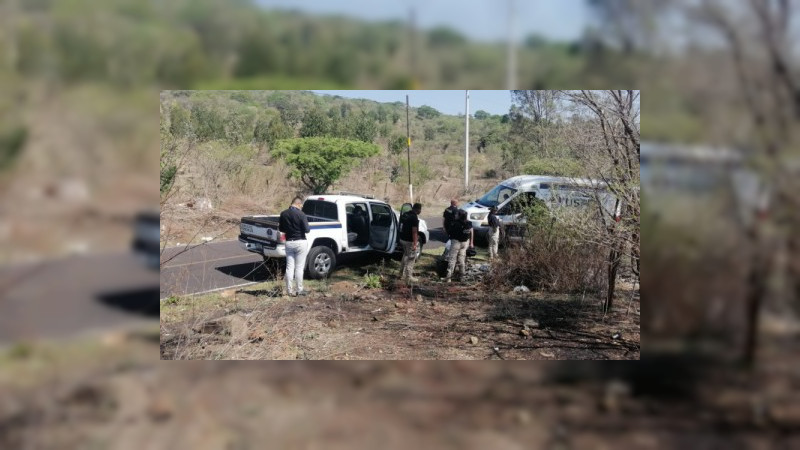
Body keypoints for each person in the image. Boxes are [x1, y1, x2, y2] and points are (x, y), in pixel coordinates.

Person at [279, 196, 311, 296]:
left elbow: (281, 229)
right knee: (299, 268)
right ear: (298, 204)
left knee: (289, 267)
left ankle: (289, 290)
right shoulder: (301, 214)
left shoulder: (283, 214)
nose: (301, 207)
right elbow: (307, 230)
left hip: (289, 242)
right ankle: (299, 290)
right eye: (301, 205)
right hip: (300, 242)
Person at [445, 209, 474, 282]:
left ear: (459, 216)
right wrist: (471, 242)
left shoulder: (455, 223)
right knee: (461, 260)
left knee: (452, 259)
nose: (455, 215)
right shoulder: (469, 223)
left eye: (457, 214)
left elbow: (449, 232)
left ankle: (449, 277)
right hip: (465, 243)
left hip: (456, 242)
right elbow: (471, 231)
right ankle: (462, 276)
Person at [399, 202, 422, 283]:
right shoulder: (414, 218)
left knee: (405, 255)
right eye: (420, 209)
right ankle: (408, 276)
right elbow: (414, 232)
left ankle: (401, 273)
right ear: (418, 209)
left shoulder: (405, 214)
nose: (420, 211)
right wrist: (415, 243)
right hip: (409, 240)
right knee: (411, 258)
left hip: (402, 239)